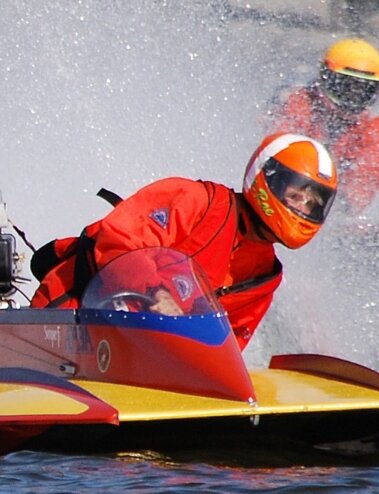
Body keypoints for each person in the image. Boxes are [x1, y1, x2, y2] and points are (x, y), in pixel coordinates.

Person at [30, 133, 338, 350]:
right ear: (267, 179)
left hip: (142, 361)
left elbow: (228, 345)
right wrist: (157, 293)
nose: (303, 208)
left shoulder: (264, 275)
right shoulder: (195, 201)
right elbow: (118, 241)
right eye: (296, 195)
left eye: (312, 204)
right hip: (68, 325)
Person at [269, 38, 379, 215]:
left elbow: (366, 179)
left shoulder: (372, 129)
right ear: (326, 76)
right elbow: (276, 153)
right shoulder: (301, 102)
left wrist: (337, 205)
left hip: (329, 207)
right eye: (346, 87)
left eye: (363, 90)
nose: (352, 97)